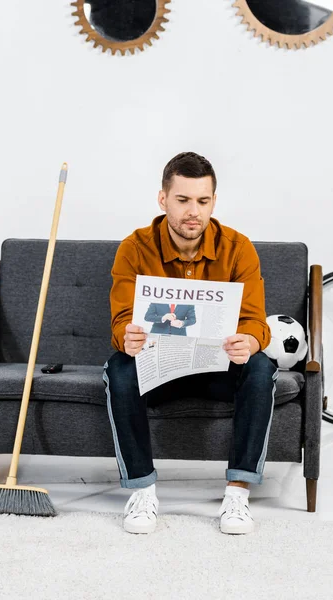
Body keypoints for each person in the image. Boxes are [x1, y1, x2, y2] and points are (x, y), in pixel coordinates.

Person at [103, 152, 277, 535]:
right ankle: (142, 490)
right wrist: (127, 338)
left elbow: (254, 322)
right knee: (118, 366)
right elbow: (120, 322)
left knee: (262, 366)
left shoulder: (239, 247)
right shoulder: (133, 248)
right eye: (182, 200)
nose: (193, 212)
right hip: (158, 372)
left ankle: (237, 494)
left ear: (214, 201)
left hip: (217, 370)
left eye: (202, 201)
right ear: (163, 199)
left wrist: (248, 340)